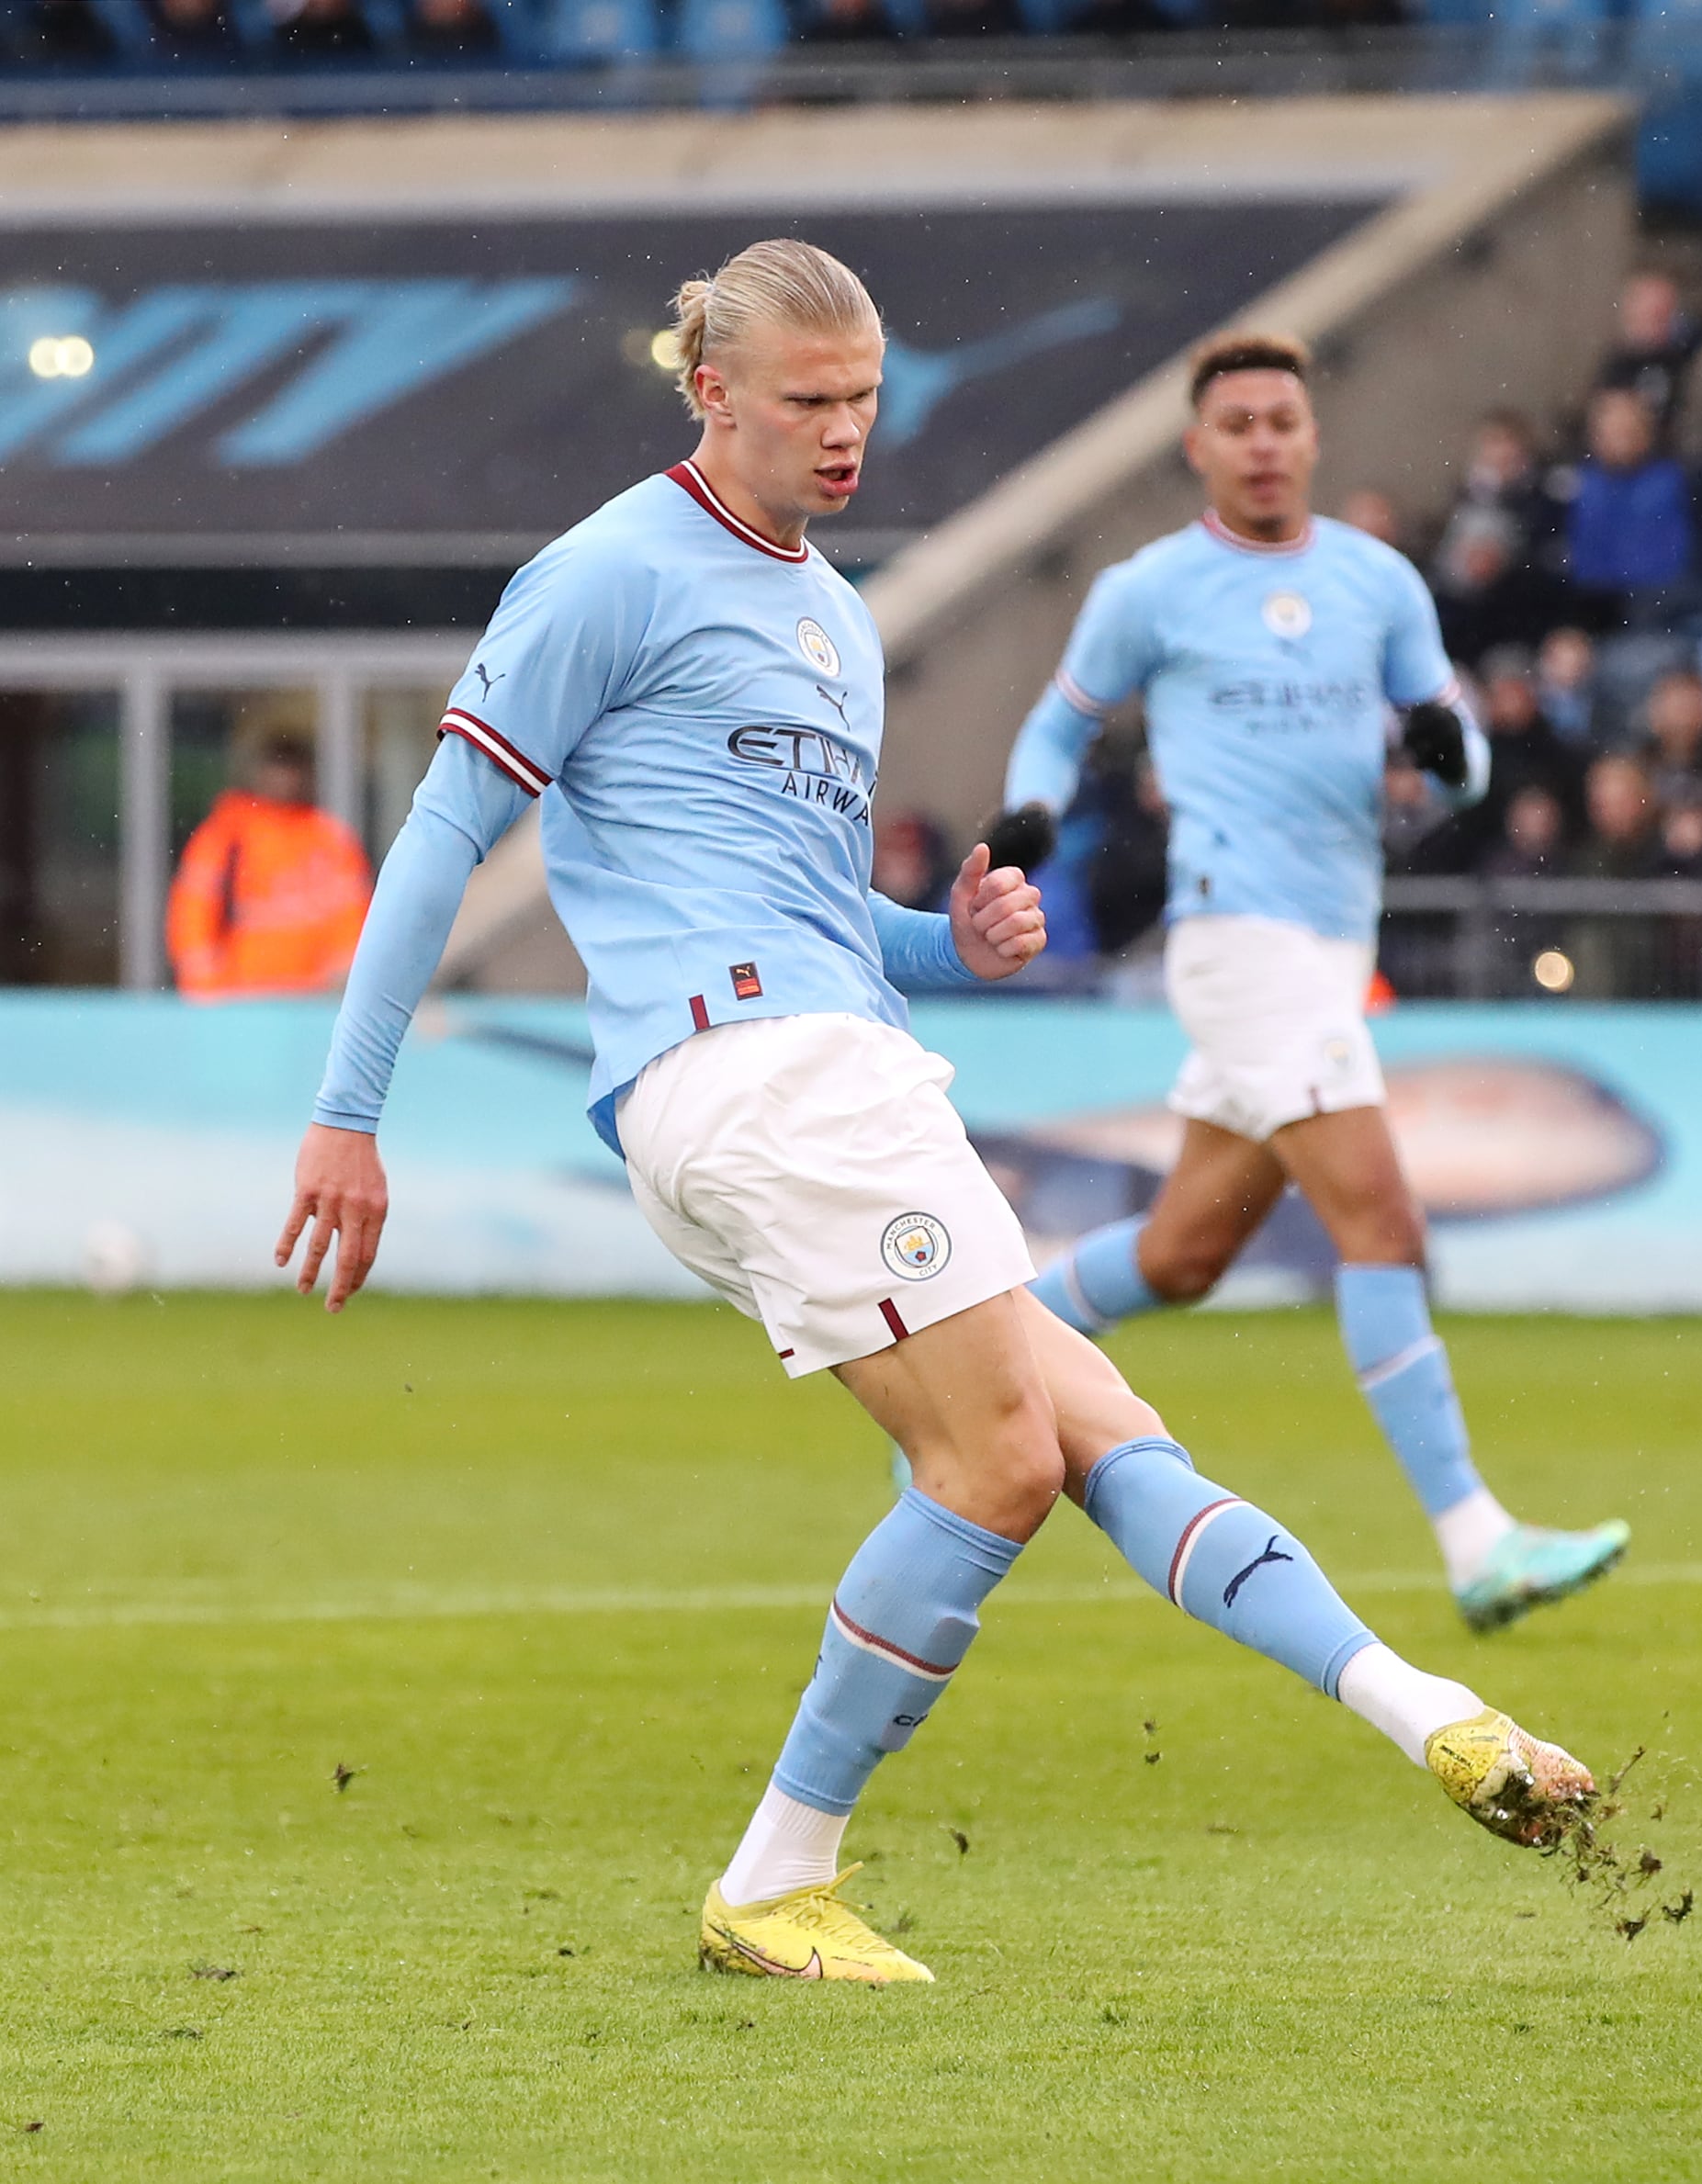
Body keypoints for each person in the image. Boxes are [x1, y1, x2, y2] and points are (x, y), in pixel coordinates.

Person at [275, 244, 1594, 1988]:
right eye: (808, 400)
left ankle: (1432, 1712)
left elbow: (824, 916)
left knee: (1106, 1427)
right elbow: (444, 832)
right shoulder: (605, 571)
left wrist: (946, 942)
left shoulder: (836, 616)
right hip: (752, 1076)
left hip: (828, 1057)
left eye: (865, 400)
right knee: (999, 1458)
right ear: (711, 390)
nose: (843, 433)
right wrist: (347, 1111)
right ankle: (773, 1877)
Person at [994, 329, 1630, 1634]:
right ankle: (1477, 1540)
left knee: (1181, 1253)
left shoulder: (1377, 584)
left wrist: (1452, 751)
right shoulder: (1150, 589)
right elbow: (1060, 718)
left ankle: (977, 1363)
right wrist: (1032, 814)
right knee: (1384, 1229)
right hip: (1239, 941)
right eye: (1237, 425)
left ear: (1311, 435)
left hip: (1331, 947)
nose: (1264, 442)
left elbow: (1462, 768)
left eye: (1282, 419)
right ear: (1199, 447)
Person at [165, 730, 370, 998]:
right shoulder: (226, 836)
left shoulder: (330, 839)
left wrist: (340, 987)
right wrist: (206, 990)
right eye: (277, 767)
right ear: (258, 773)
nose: (285, 779)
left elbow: (353, 919)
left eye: (292, 769)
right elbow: (192, 913)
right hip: (240, 1000)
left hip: (313, 1002)